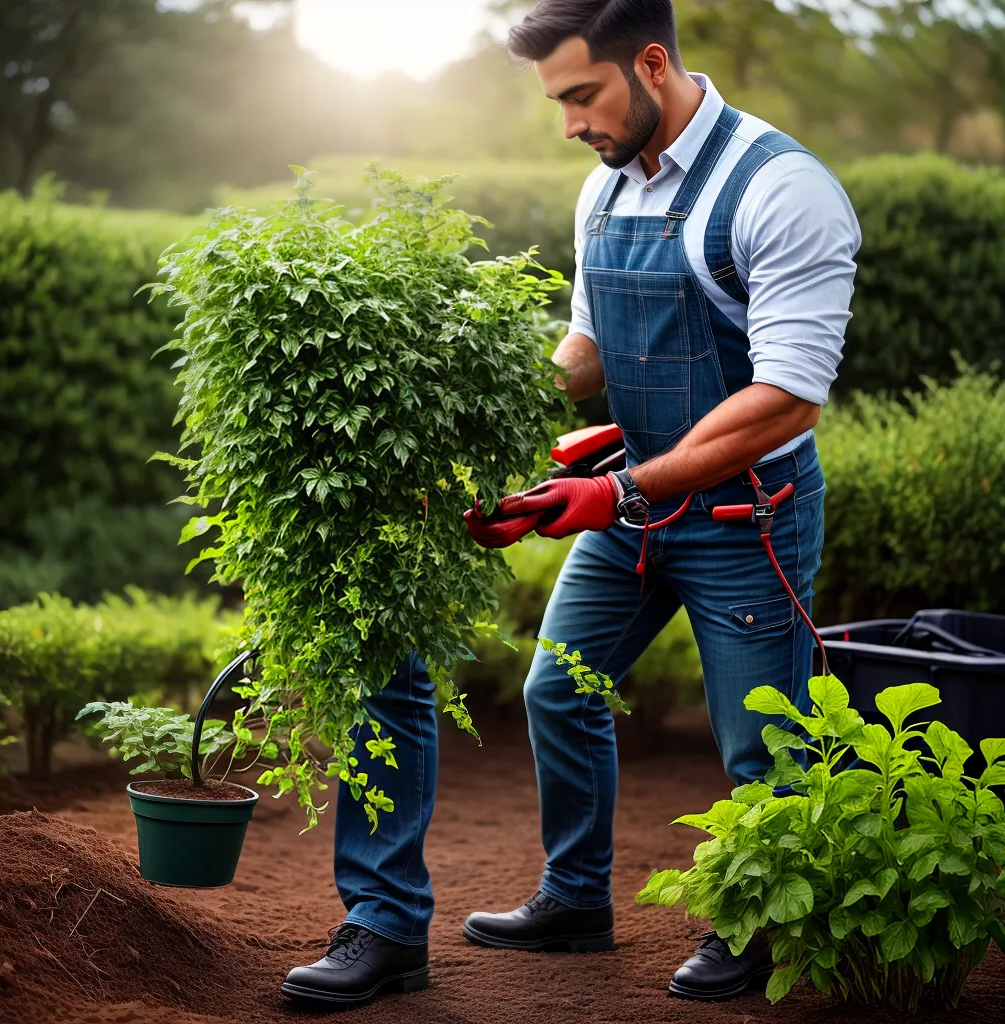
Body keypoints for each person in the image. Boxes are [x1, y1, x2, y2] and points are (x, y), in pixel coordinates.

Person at [280, 0, 859, 1009]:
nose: (569, 123)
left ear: (649, 64)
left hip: (742, 517)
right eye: (555, 101)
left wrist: (617, 489)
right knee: (561, 690)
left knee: (760, 739)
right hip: (631, 500)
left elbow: (787, 397)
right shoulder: (606, 191)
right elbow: (586, 352)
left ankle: (762, 922)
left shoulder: (781, 189)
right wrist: (495, 443)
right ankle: (576, 898)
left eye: (581, 95)